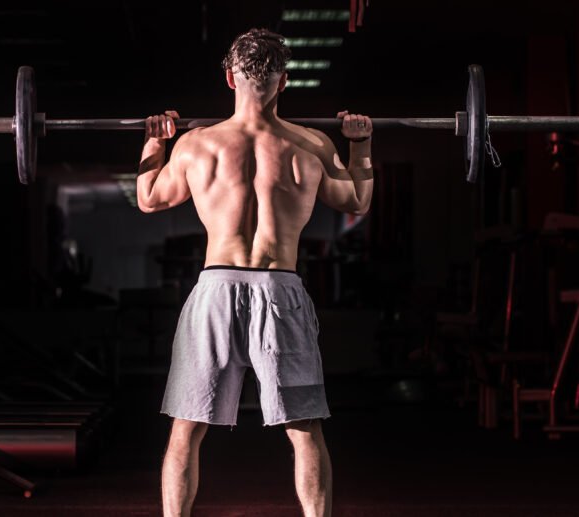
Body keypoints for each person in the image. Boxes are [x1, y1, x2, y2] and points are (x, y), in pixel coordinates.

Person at [136, 28, 373, 517]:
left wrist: (154, 144)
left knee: (186, 428)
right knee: (304, 428)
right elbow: (356, 199)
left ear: (229, 78)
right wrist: (361, 145)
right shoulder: (310, 144)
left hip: (215, 289)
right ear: (284, 83)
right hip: (279, 287)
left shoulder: (198, 146)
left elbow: (149, 198)